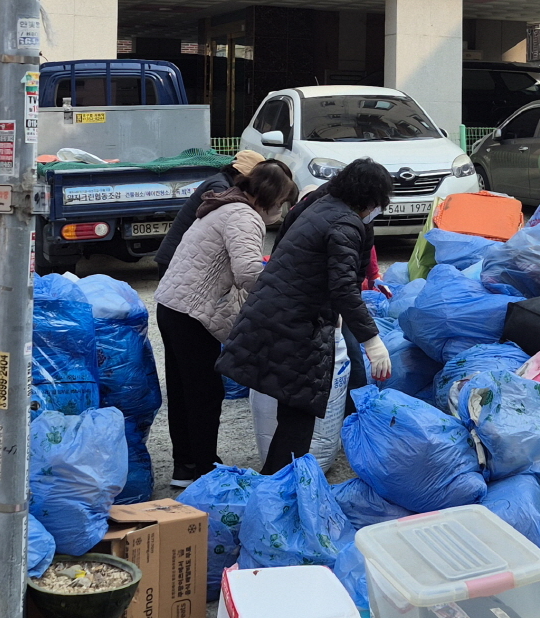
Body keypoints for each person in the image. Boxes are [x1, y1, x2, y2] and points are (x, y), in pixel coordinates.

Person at [219, 158, 394, 472]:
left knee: (292, 416)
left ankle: (277, 488)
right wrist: (372, 340)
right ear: (368, 199)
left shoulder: (323, 204)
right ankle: (280, 495)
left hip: (275, 314)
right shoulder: (344, 223)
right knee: (298, 419)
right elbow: (343, 287)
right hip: (292, 324)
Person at [152, 159, 296, 488]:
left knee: (182, 390)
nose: (280, 210)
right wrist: (286, 283)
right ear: (270, 195)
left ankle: (184, 467)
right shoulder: (244, 216)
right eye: (281, 201)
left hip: (171, 304)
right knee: (205, 392)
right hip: (191, 313)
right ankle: (205, 467)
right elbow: (248, 272)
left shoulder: (223, 204)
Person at [153, 149, 266, 273]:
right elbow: (227, 223)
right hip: (176, 258)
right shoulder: (220, 187)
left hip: (181, 256)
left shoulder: (224, 182)